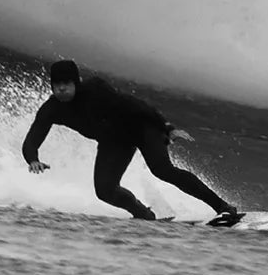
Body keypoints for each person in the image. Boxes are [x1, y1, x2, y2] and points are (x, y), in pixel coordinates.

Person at [21, 58, 244, 224]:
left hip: (142, 128)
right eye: (56, 84)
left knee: (162, 170)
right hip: (114, 142)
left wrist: (166, 127)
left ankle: (223, 207)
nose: (61, 88)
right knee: (105, 190)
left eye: (66, 83)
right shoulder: (52, 109)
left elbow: (134, 105)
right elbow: (32, 139)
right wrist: (33, 159)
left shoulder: (95, 90)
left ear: (77, 82)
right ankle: (144, 215)